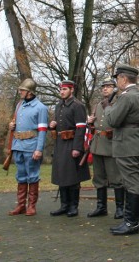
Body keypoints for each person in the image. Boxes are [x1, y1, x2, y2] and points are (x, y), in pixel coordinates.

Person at [105, 64, 139, 235]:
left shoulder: (126, 97)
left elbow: (113, 120)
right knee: (131, 180)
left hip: (126, 143)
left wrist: (108, 108)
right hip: (134, 142)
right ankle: (130, 221)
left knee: (131, 182)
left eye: (117, 78)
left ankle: (131, 223)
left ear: (123, 78)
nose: (116, 82)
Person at [49, 80, 91, 217]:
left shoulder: (77, 106)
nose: (62, 92)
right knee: (61, 174)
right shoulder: (59, 106)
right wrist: (53, 125)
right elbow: (61, 124)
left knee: (72, 176)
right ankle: (64, 205)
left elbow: (81, 127)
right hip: (60, 143)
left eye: (65, 89)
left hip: (72, 143)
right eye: (61, 89)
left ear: (71, 90)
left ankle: (73, 206)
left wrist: (77, 147)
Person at [8, 78, 48, 216]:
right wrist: (11, 126)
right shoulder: (19, 105)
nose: (20, 92)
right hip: (18, 145)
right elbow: (16, 124)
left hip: (32, 146)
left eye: (22, 90)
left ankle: (31, 206)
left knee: (32, 176)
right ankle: (21, 205)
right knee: (21, 176)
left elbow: (43, 130)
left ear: (29, 92)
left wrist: (39, 149)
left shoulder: (41, 108)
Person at [86, 79, 124, 219]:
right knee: (99, 178)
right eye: (104, 87)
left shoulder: (119, 103)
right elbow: (94, 125)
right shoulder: (97, 105)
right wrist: (90, 122)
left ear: (115, 89)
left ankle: (120, 208)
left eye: (109, 86)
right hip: (97, 145)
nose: (105, 89)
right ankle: (101, 207)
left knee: (116, 178)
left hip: (111, 145)